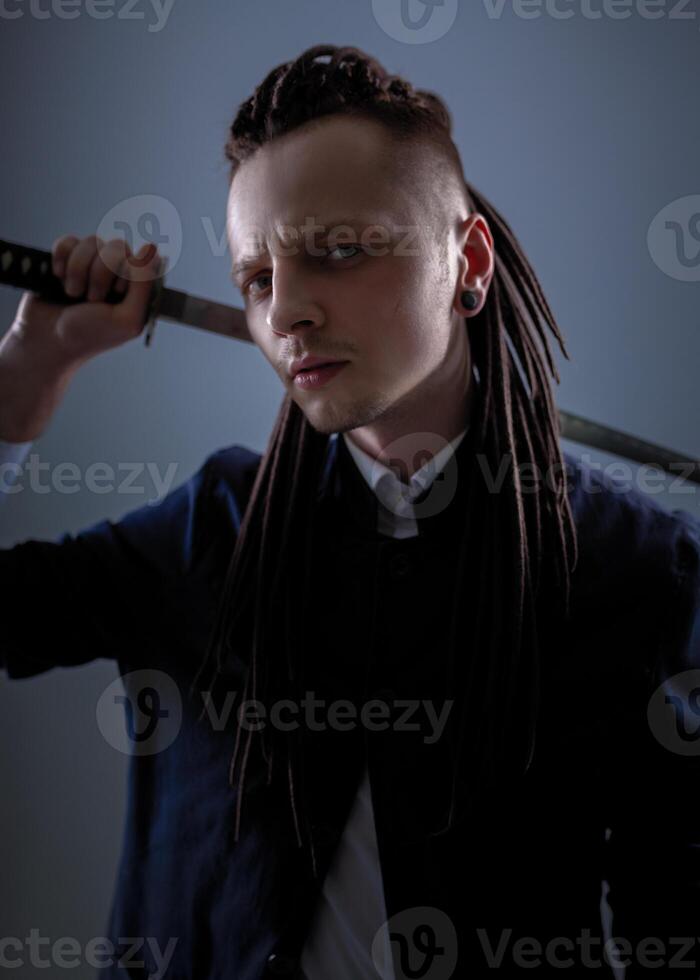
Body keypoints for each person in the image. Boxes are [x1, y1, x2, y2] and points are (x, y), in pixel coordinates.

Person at [2, 43, 700, 980]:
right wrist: (26, 377)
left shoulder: (638, 569)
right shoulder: (216, 526)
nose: (286, 313)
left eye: (339, 250)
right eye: (257, 279)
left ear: (469, 264)